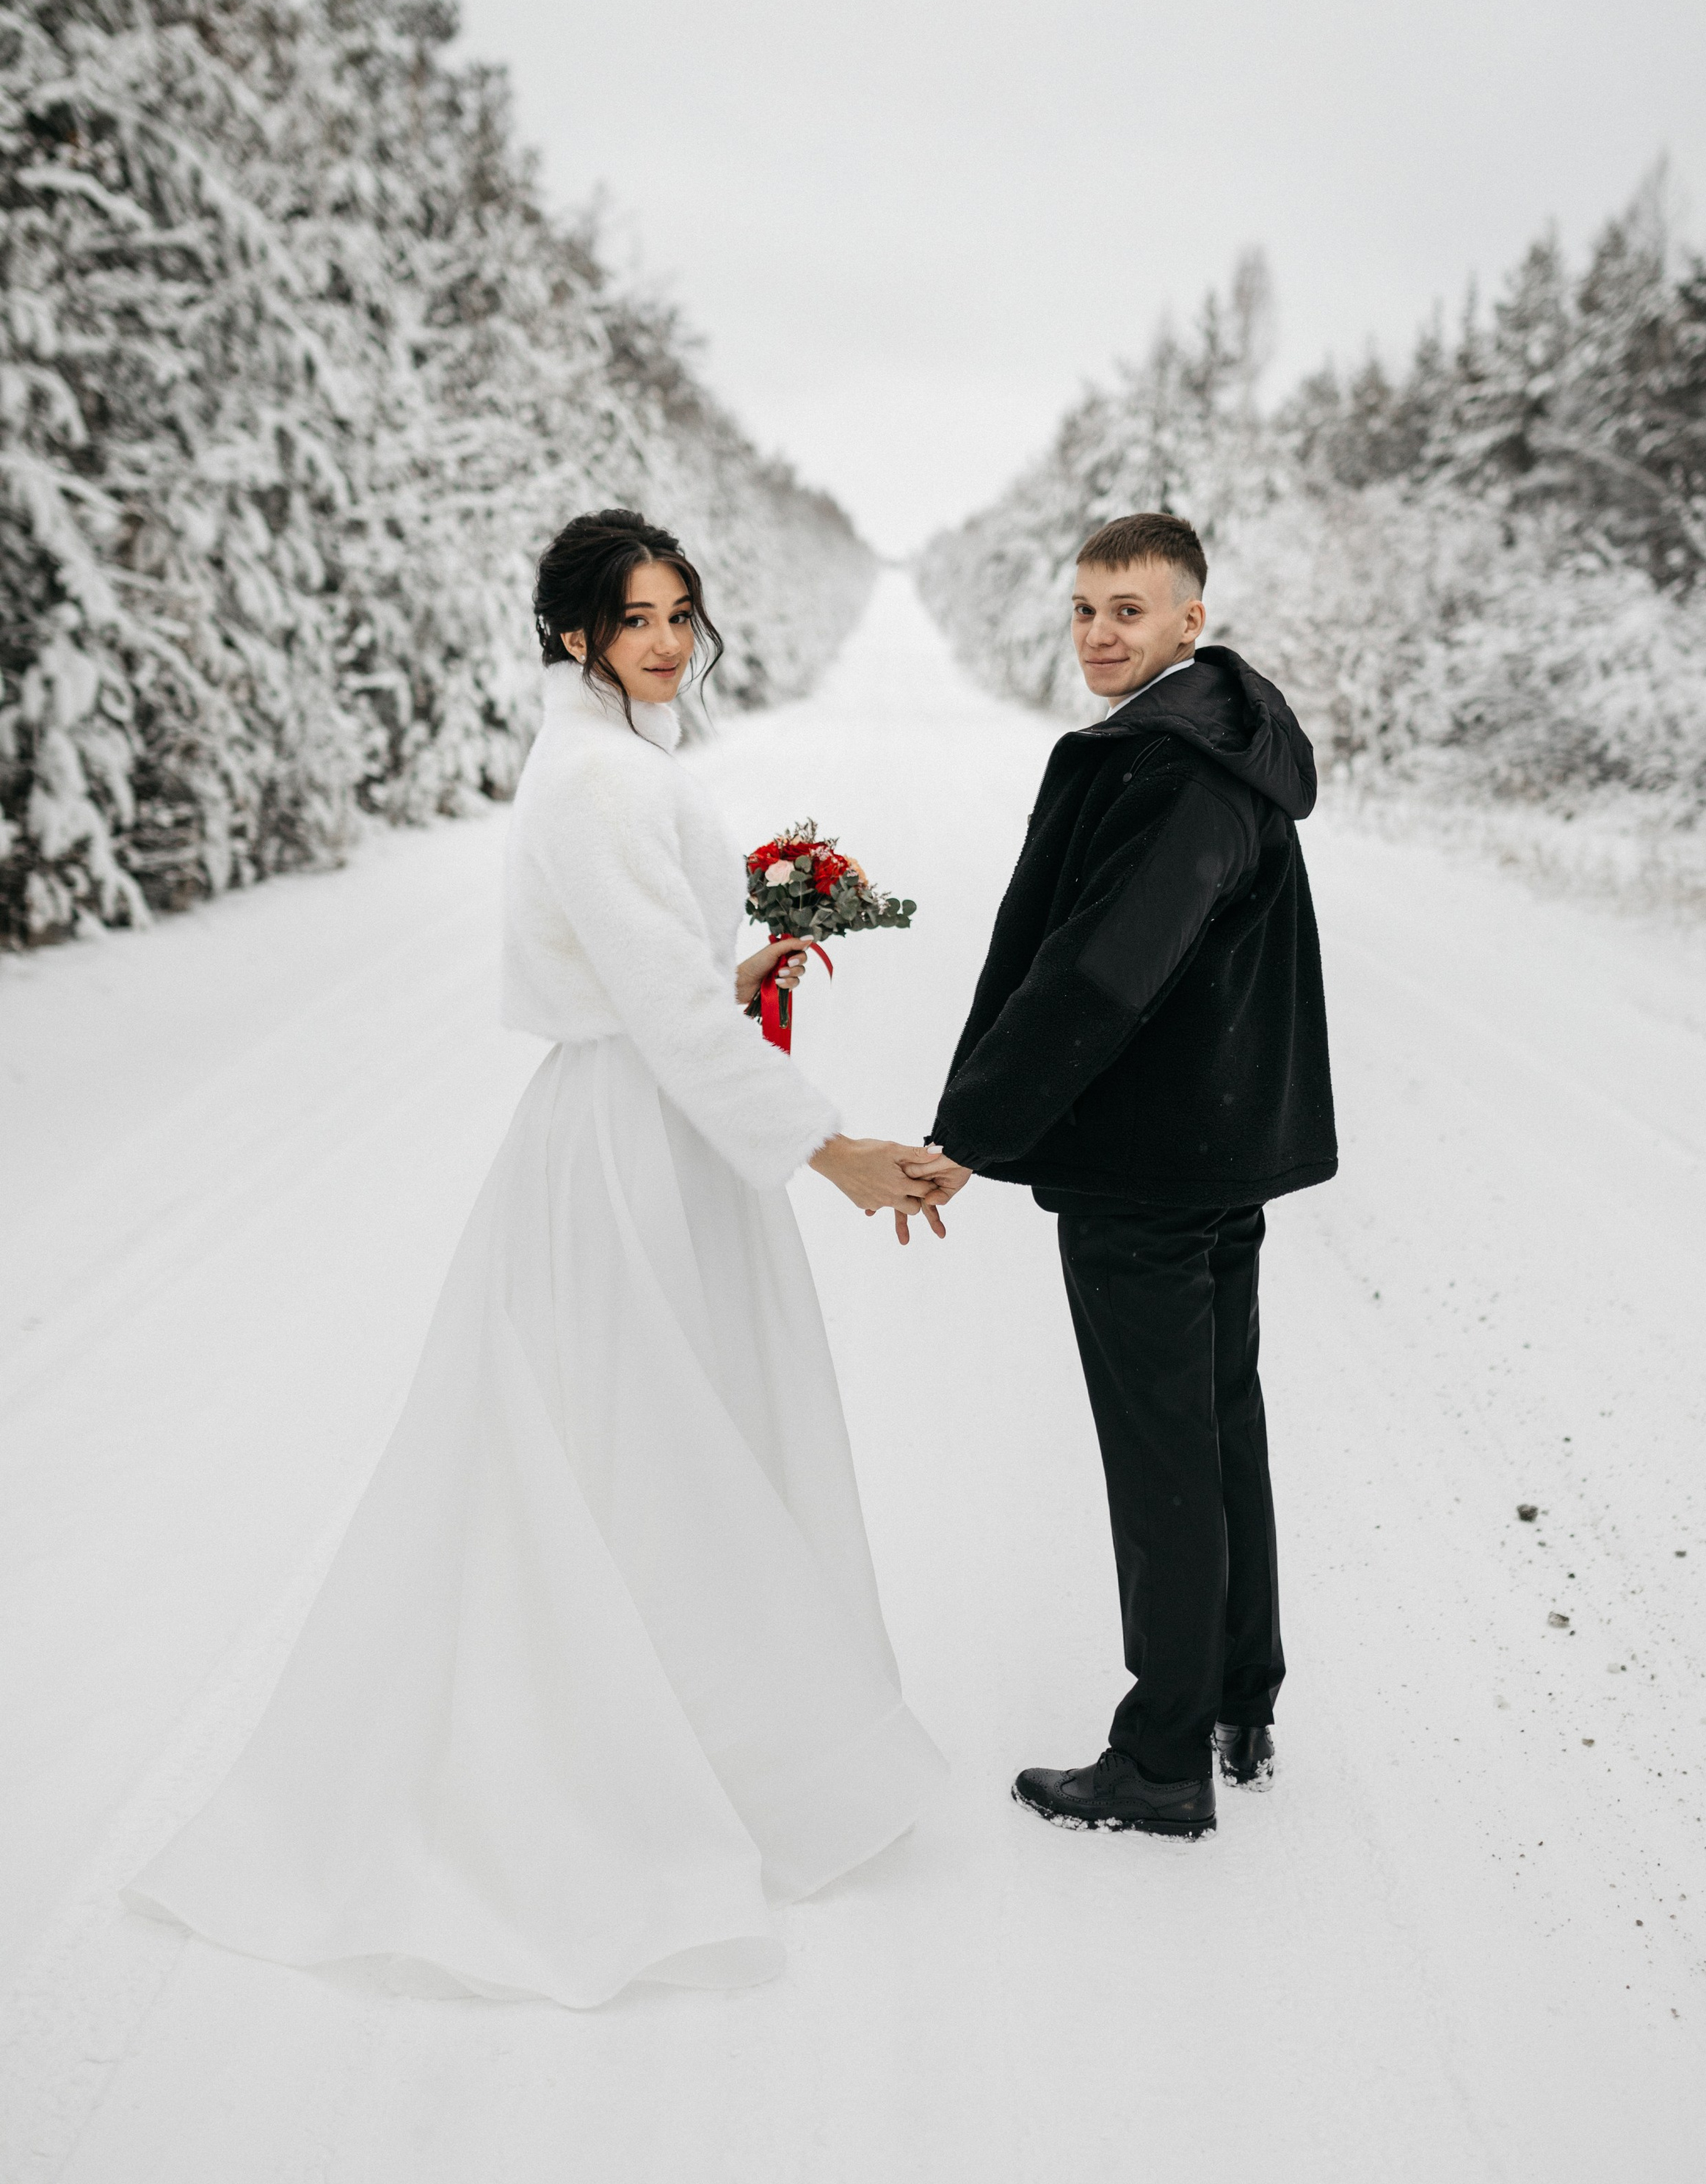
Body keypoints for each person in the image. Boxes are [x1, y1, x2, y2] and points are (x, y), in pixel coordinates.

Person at [129, 509, 952, 2001]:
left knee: (663, 1437)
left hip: (661, 1127)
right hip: (628, 1144)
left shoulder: (621, 765)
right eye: (635, 618)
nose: (666, 640)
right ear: (574, 634)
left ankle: (693, 1742)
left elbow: (669, 983)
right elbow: (663, 1015)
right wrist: (829, 1151)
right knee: (638, 1449)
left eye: (681, 612)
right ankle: (616, 1771)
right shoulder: (591, 781)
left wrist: (743, 953)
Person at [919, 512, 1336, 1840]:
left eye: (1131, 612)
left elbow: (1102, 970)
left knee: (1164, 1452)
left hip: (1149, 1162)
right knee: (1218, 1426)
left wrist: (970, 1131)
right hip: (1212, 1147)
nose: (1101, 635)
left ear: (1188, 623)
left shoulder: (1173, 771)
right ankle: (1236, 1697)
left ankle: (1161, 1759)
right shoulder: (1226, 745)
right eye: (1087, 608)